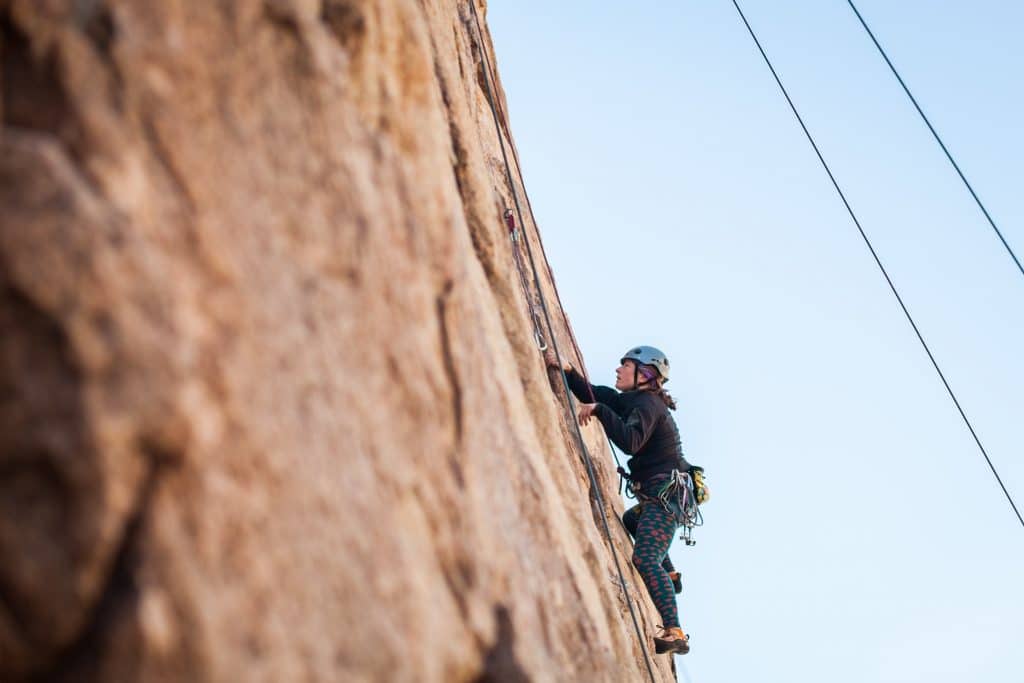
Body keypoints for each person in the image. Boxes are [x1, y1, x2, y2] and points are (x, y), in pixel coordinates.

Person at [546, 345, 692, 656]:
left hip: (665, 499)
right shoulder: (636, 400)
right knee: (632, 520)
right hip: (659, 497)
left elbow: (630, 440)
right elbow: (597, 393)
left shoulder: (648, 406)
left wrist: (599, 410)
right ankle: (671, 574)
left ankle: (675, 629)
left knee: (644, 558)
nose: (617, 369)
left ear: (644, 374)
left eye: (625, 365)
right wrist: (568, 371)